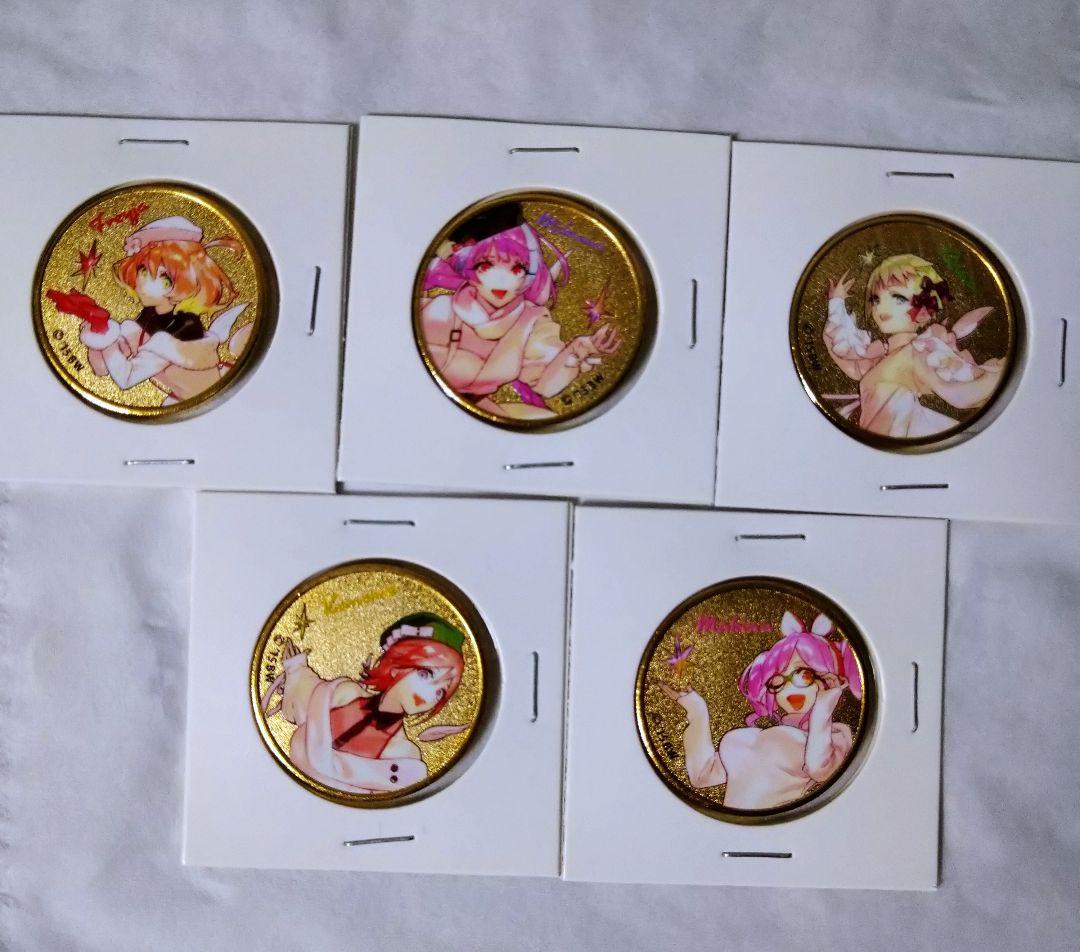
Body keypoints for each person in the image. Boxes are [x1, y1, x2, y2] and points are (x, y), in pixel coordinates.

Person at [420, 202, 620, 419]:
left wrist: (581, 348)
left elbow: (546, 386)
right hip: (422, 399)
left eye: (517, 269)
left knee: (544, 418)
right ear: (467, 268)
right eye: (485, 266)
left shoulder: (531, 319)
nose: (502, 279)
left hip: (473, 413)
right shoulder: (441, 309)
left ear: (529, 275)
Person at [660, 611, 862, 810]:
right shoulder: (756, 736)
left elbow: (820, 769)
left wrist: (825, 704)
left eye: (803, 674)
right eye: (777, 680)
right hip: (727, 825)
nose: (789, 688)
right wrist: (697, 711)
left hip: (782, 824)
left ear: (828, 678)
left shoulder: (835, 736)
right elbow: (702, 776)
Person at [46, 215, 250, 405]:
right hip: (181, 401)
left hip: (213, 401)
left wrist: (106, 341)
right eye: (142, 271)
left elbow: (126, 378)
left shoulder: (183, 328)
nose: (143, 284)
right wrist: (98, 334)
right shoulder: (147, 317)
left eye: (164, 279)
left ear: (186, 285)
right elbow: (101, 370)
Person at [262, 612, 469, 795]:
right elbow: (301, 700)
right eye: (425, 674)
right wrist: (295, 668)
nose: (429, 694)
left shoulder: (405, 756)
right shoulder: (343, 693)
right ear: (395, 667)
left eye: (440, 691)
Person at [822, 253, 1004, 438]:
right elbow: (847, 354)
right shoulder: (883, 352)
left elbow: (955, 393)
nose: (881, 308)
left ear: (925, 310)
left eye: (898, 299)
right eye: (876, 300)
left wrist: (992, 380)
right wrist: (836, 303)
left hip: (898, 430)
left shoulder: (918, 351)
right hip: (873, 434)